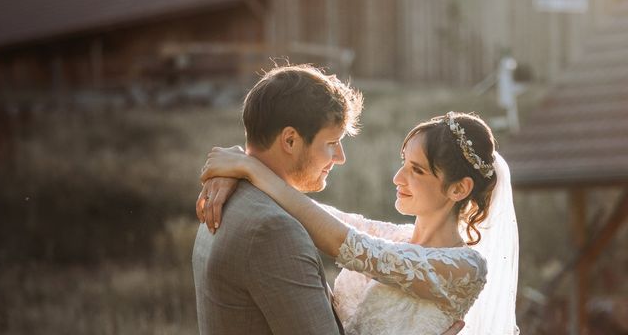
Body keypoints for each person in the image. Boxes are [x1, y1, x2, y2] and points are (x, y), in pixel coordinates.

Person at [192, 63, 466, 335]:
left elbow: (328, 224)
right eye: (332, 144)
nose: (341, 158)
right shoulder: (273, 229)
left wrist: (243, 164)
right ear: (290, 140)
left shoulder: (228, 198)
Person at [199, 111, 519, 335]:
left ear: (458, 188)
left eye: (417, 170)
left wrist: (248, 169)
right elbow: (306, 210)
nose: (398, 178)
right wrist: (240, 167)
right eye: (403, 163)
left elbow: (342, 242)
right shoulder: (394, 236)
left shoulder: (466, 267)